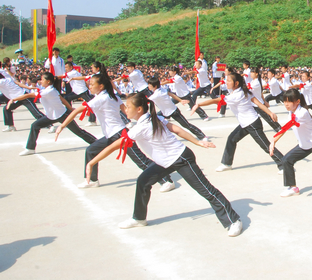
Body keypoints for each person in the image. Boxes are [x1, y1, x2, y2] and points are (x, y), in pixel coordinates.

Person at [83, 92, 243, 236]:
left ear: (139, 109)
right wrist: (197, 142)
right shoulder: (152, 119)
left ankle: (233, 220)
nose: (125, 109)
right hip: (165, 162)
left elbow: (114, 146)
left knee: (206, 190)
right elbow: (176, 129)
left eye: (128, 106)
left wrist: (91, 162)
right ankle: (139, 218)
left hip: (181, 159)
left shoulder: (142, 126)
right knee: (143, 182)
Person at [55, 64, 175, 191]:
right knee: (91, 150)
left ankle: (166, 180)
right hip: (111, 135)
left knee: (140, 160)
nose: (89, 86)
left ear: (101, 86)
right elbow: (125, 110)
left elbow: (77, 111)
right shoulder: (112, 96)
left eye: (92, 84)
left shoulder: (101, 98)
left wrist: (62, 126)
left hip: (120, 134)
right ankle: (93, 180)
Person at [192, 72, 285, 173]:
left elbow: (216, 100)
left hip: (252, 124)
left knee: (266, 146)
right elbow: (258, 103)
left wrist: (199, 104)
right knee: (231, 139)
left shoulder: (237, 95)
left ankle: (284, 164)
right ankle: (226, 163)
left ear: (236, 83)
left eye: (229, 81)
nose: (226, 82)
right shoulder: (243, 91)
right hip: (245, 124)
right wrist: (270, 113)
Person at [9, 72, 97, 156]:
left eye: (42, 79)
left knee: (78, 132)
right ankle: (30, 148)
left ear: (48, 81)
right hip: (51, 116)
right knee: (35, 126)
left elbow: (27, 95)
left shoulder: (48, 91)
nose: (41, 81)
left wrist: (13, 99)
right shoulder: (50, 90)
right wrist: (70, 108)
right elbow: (62, 99)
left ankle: (96, 143)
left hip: (62, 115)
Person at [63, 61, 98, 126]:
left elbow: (62, 76)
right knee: (66, 98)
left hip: (82, 91)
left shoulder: (73, 72)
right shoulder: (70, 73)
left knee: (91, 104)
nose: (65, 68)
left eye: (66, 67)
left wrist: (54, 76)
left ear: (71, 67)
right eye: (65, 67)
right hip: (76, 91)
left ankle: (92, 120)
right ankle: (69, 114)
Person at [248, 67, 281, 132]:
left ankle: (278, 127)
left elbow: (247, 89)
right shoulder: (253, 81)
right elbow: (260, 92)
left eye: (252, 72)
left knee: (267, 117)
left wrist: (264, 101)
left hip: (258, 103)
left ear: (256, 74)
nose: (251, 74)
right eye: (251, 72)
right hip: (254, 103)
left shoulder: (256, 82)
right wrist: (265, 100)